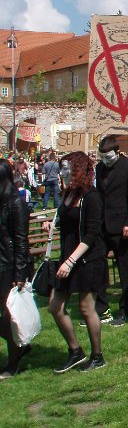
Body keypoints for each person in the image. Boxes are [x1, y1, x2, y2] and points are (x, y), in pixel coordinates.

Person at [47, 152, 108, 373]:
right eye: (62, 168)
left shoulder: (91, 197)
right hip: (68, 256)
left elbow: (91, 235)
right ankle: (75, 350)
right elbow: (64, 219)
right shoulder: (68, 194)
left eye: (67, 168)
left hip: (87, 258)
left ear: (78, 170)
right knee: (55, 306)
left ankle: (97, 355)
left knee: (85, 308)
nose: (62, 172)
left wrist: (71, 261)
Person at [95, 135, 128, 327]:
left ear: (117, 152)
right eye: (103, 157)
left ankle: (127, 310)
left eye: (109, 157)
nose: (106, 161)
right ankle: (102, 308)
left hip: (122, 225)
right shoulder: (99, 168)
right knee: (98, 265)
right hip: (102, 225)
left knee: (124, 269)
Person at [0, 159, 29, 381]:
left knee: (9, 316)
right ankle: (21, 344)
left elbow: (20, 240)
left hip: (9, 266)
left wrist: (19, 273)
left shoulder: (15, 202)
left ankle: (13, 361)